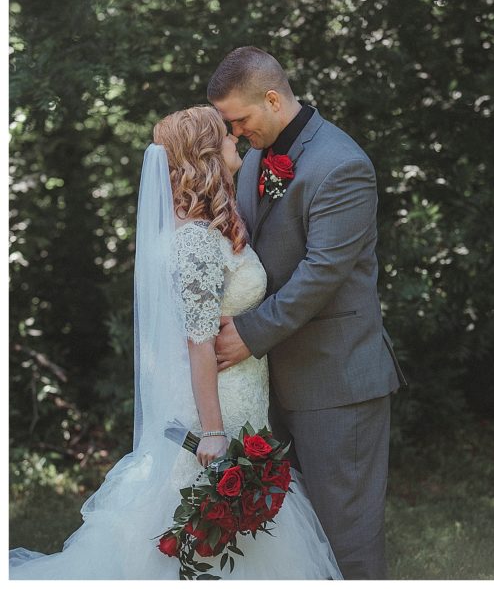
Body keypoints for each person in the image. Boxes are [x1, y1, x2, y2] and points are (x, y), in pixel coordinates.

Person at [9, 106, 342, 579]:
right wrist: (211, 431)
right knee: (204, 530)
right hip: (218, 405)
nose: (236, 141)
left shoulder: (209, 229)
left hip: (243, 392)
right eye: (226, 137)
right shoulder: (195, 243)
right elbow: (198, 342)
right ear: (206, 153)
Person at [207, 46, 406, 580]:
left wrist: (247, 334)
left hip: (338, 381)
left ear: (272, 99)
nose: (237, 133)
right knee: (293, 539)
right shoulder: (252, 162)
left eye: (241, 120)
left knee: (347, 536)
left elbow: (322, 273)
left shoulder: (342, 164)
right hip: (274, 379)